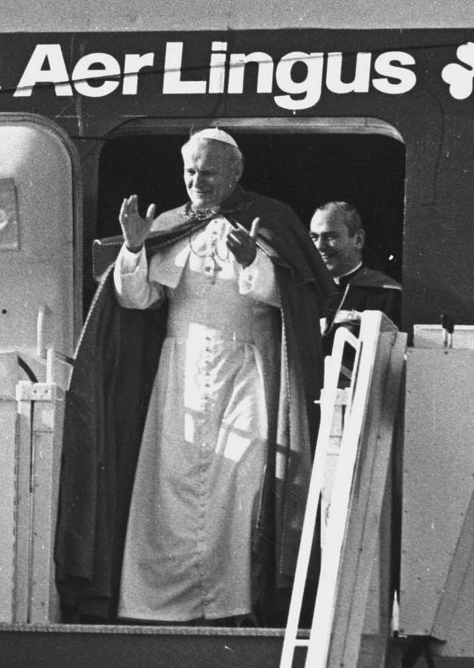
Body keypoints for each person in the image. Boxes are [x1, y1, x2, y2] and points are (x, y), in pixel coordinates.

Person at [55, 129, 336, 624]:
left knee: (245, 481)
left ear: (235, 173)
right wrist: (134, 249)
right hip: (180, 372)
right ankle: (158, 606)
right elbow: (137, 300)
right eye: (190, 171)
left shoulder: (270, 219)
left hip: (248, 368)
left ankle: (234, 604)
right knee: (169, 488)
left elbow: (297, 299)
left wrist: (254, 263)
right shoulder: (169, 224)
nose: (197, 181)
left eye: (208, 172)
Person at [309, 201, 401, 349]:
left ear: (358, 240)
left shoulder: (387, 294)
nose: (319, 246)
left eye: (330, 237)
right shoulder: (304, 291)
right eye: (314, 237)